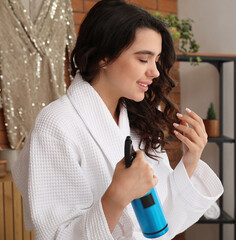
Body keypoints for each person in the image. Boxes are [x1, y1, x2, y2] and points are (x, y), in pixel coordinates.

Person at [12, 0, 224, 239]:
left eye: (156, 60)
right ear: (104, 57)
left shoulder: (137, 120)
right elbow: (56, 235)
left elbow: (161, 224)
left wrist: (190, 160)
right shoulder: (56, 124)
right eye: (143, 59)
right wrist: (116, 196)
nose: (154, 72)